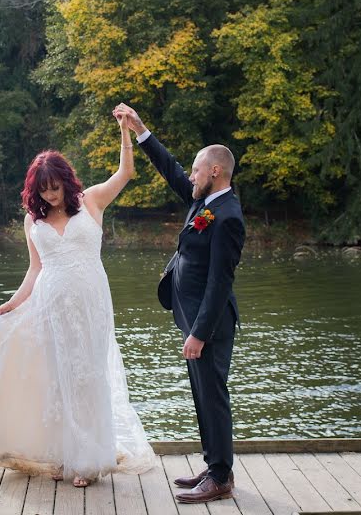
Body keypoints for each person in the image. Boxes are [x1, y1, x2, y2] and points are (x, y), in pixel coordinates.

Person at [0, 113, 156, 488]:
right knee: (58, 378)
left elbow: (125, 174)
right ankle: (63, 455)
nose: (50, 196)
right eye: (43, 191)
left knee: (88, 375)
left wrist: (125, 131)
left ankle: (88, 459)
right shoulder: (32, 222)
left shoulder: (91, 202)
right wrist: (13, 302)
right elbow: (34, 270)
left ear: (66, 182)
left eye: (55, 187)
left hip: (91, 301)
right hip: (51, 304)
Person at [113, 103, 245, 504]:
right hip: (192, 319)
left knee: (213, 394)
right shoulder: (204, 203)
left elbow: (221, 282)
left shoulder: (227, 217)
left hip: (210, 325)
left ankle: (221, 477)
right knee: (202, 394)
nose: (190, 175)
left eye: (197, 170)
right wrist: (140, 129)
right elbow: (171, 169)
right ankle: (213, 465)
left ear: (215, 172)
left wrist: (199, 334)